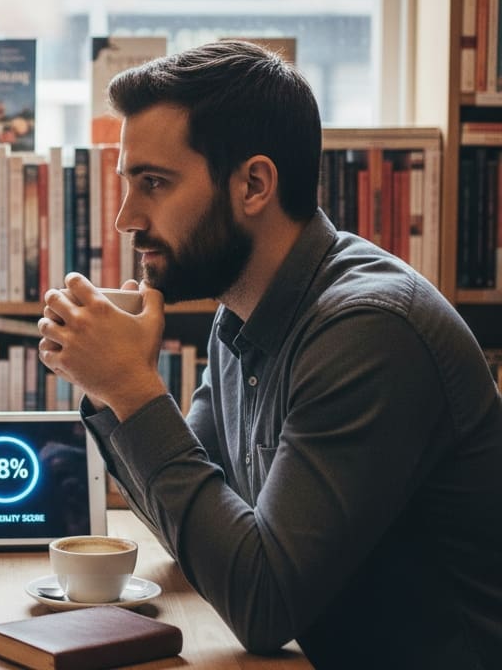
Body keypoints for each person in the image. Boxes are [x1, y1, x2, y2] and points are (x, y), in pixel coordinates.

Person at [38, 40, 502, 669]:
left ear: (253, 184)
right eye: (128, 183)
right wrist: (102, 383)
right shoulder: (242, 316)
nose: (125, 217)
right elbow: (199, 535)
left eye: (153, 183)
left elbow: (262, 604)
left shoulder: (367, 330)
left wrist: (129, 388)